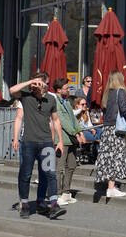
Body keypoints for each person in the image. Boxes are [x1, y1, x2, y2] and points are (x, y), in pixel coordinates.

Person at [9, 73, 66, 220]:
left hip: (46, 142)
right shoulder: (26, 97)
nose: (37, 86)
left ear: (46, 85)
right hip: (29, 142)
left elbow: (56, 120)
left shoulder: (51, 99)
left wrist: (60, 140)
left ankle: (53, 204)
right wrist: (30, 81)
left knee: (50, 173)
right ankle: (25, 204)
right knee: (26, 174)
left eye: (40, 83)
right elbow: (12, 90)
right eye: (36, 83)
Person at [95, 72, 126, 197]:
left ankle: (110, 185)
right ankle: (111, 187)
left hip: (107, 128)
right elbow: (123, 108)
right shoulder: (121, 91)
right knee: (116, 156)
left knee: (108, 156)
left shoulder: (107, 93)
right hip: (116, 128)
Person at [52, 79, 83, 204]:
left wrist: (80, 131)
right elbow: (62, 121)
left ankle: (66, 192)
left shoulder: (66, 102)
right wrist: (75, 132)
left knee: (71, 165)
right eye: (66, 88)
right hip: (62, 139)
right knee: (59, 168)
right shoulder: (56, 102)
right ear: (59, 90)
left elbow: (73, 119)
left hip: (71, 139)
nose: (68, 89)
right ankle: (57, 194)